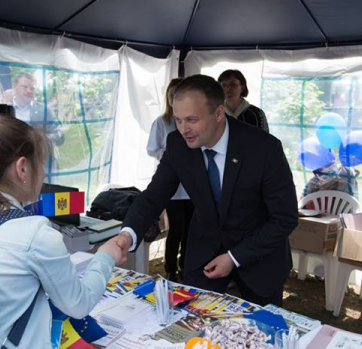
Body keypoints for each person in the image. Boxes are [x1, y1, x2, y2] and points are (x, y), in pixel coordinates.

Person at [0, 114, 126, 348]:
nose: (44, 173)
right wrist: (105, 257)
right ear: (22, 168)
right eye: (40, 163)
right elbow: (77, 304)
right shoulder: (35, 234)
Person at [115, 75, 298, 306]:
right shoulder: (177, 145)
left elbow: (285, 217)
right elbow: (153, 197)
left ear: (218, 113)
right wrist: (127, 234)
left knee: (260, 333)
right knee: (193, 325)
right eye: (178, 120)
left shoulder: (264, 148)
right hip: (204, 255)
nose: (183, 129)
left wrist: (234, 257)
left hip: (259, 258)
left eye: (191, 119)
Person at [146, 78, 193, 282]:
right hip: (172, 188)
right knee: (176, 228)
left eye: (179, 94)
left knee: (191, 229)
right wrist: (172, 154)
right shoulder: (162, 122)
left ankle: (186, 265)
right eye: (172, 94)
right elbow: (152, 149)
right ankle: (171, 268)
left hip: (192, 185)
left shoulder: (193, 120)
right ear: (168, 97)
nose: (175, 98)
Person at [10, 72, 64, 179]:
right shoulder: (5, 110)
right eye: (25, 87)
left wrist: (39, 139)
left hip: (42, 168)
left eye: (32, 88)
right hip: (12, 167)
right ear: (14, 86)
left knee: (49, 196)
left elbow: (60, 136)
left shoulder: (44, 110)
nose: (29, 91)